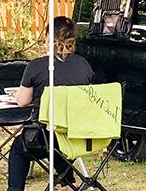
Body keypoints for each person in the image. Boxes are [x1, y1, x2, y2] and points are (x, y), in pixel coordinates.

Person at [7, 16, 94, 191]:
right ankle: (70, 183)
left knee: (18, 148)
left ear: (48, 38)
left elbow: (23, 101)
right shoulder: (84, 65)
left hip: (47, 137)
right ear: (73, 40)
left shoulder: (37, 66)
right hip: (79, 135)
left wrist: (17, 94)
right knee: (59, 141)